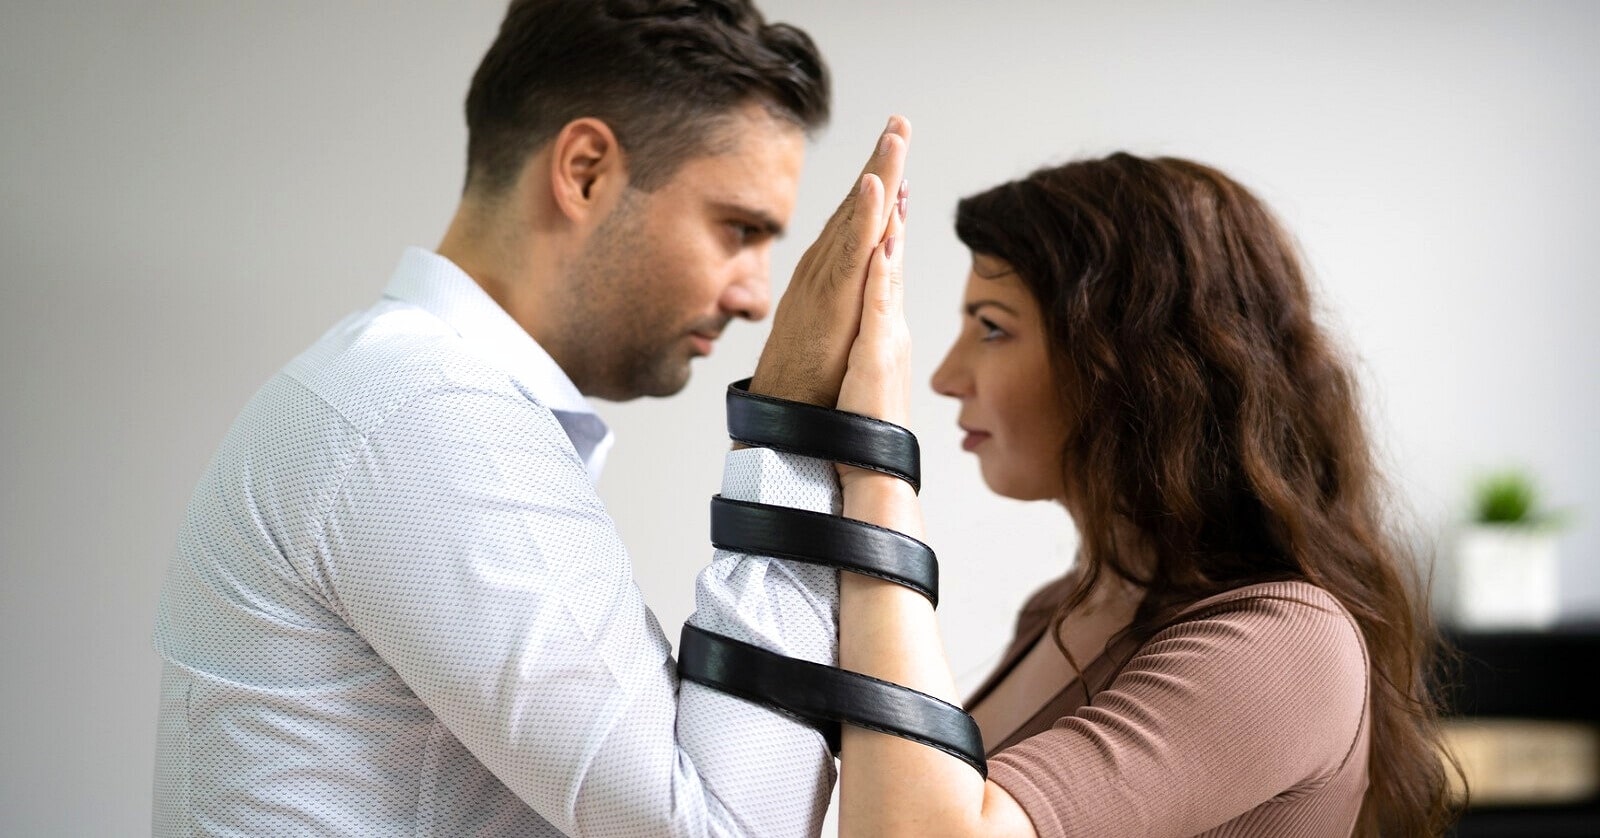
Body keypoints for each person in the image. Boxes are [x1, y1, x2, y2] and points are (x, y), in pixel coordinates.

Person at [151, 0, 911, 835]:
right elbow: (720, 828)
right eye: (738, 228)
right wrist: (795, 424)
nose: (757, 294)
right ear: (585, 169)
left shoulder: (402, 396)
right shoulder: (424, 411)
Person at [819, 152, 1461, 836]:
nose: (947, 376)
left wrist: (875, 468)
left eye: (993, 327)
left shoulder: (1285, 645)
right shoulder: (1062, 611)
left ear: (1128, 364)